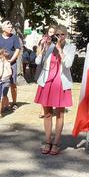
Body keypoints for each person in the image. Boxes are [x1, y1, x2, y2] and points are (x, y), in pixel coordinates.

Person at [34, 25, 75, 156]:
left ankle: (56, 142)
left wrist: (60, 50)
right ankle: (47, 140)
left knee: (60, 114)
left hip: (61, 83)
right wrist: (41, 48)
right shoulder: (49, 47)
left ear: (66, 35)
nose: (59, 37)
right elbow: (37, 61)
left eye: (62, 34)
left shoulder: (70, 47)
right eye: (57, 34)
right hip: (47, 81)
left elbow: (68, 64)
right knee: (47, 113)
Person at [0, 21, 22, 110]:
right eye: (8, 27)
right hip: (0, 64)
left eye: (11, 27)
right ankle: (3, 102)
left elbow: (17, 50)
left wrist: (11, 60)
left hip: (12, 64)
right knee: (1, 83)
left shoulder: (14, 37)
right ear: (3, 28)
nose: (11, 28)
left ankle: (14, 102)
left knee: (13, 84)